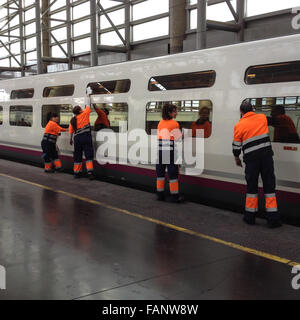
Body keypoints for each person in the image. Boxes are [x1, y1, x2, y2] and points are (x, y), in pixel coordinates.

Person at [232, 101, 281, 228]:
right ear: (253, 109)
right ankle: (273, 219)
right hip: (266, 158)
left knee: (252, 188)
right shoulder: (262, 117)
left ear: (241, 112)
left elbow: (236, 146)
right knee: (269, 187)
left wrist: (237, 158)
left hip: (251, 160)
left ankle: (250, 217)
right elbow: (275, 121)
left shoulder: (239, 125)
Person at [156, 103, 183, 203]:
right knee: (173, 174)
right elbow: (178, 138)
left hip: (161, 150)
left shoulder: (160, 123)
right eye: (175, 111)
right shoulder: (174, 124)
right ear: (169, 112)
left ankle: (160, 195)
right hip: (170, 151)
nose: (177, 113)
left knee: (160, 173)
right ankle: (175, 196)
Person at [69, 102, 95, 180]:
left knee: (77, 155)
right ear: (80, 111)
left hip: (77, 138)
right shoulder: (85, 114)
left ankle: (77, 173)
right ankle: (90, 173)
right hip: (86, 137)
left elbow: (71, 131)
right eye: (81, 109)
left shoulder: (73, 120)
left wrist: (70, 139)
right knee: (88, 155)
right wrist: (88, 95)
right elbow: (88, 105)